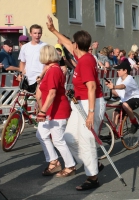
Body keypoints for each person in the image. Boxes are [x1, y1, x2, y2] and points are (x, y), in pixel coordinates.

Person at [46, 15, 106, 191]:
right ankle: (92, 163)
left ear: (77, 45)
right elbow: (66, 43)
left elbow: (93, 87)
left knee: (86, 139)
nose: (70, 44)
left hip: (90, 103)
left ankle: (92, 177)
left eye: (72, 43)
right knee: (69, 137)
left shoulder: (86, 61)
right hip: (80, 102)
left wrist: (91, 113)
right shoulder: (81, 56)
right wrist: (53, 30)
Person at [35, 45, 76, 177]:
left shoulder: (53, 71)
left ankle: (70, 165)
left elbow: (52, 93)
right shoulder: (50, 69)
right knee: (41, 134)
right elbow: (40, 90)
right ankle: (53, 161)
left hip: (57, 110)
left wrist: (42, 111)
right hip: (51, 109)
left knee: (58, 139)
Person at [105, 60, 139, 133]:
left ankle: (134, 123)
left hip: (135, 98)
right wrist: (111, 87)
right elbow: (116, 94)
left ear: (125, 70)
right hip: (124, 100)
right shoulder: (119, 79)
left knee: (125, 105)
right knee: (115, 113)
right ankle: (112, 135)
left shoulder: (129, 78)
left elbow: (123, 86)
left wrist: (114, 86)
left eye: (119, 70)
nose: (117, 71)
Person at [19, 24, 47, 93]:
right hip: (27, 78)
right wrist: (21, 74)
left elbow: (48, 63)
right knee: (24, 100)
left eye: (39, 33)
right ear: (30, 34)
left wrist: (42, 75)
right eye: (35, 33)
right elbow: (22, 62)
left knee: (39, 99)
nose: (37, 35)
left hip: (40, 78)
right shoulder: (24, 47)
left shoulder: (45, 46)